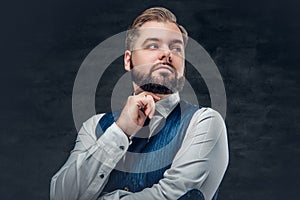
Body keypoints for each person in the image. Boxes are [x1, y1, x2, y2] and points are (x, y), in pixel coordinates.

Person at [50, 7, 229, 200]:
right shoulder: (94, 127)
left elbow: (175, 196)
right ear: (128, 60)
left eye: (176, 48)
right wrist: (120, 131)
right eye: (153, 46)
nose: (167, 54)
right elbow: (61, 196)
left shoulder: (205, 122)